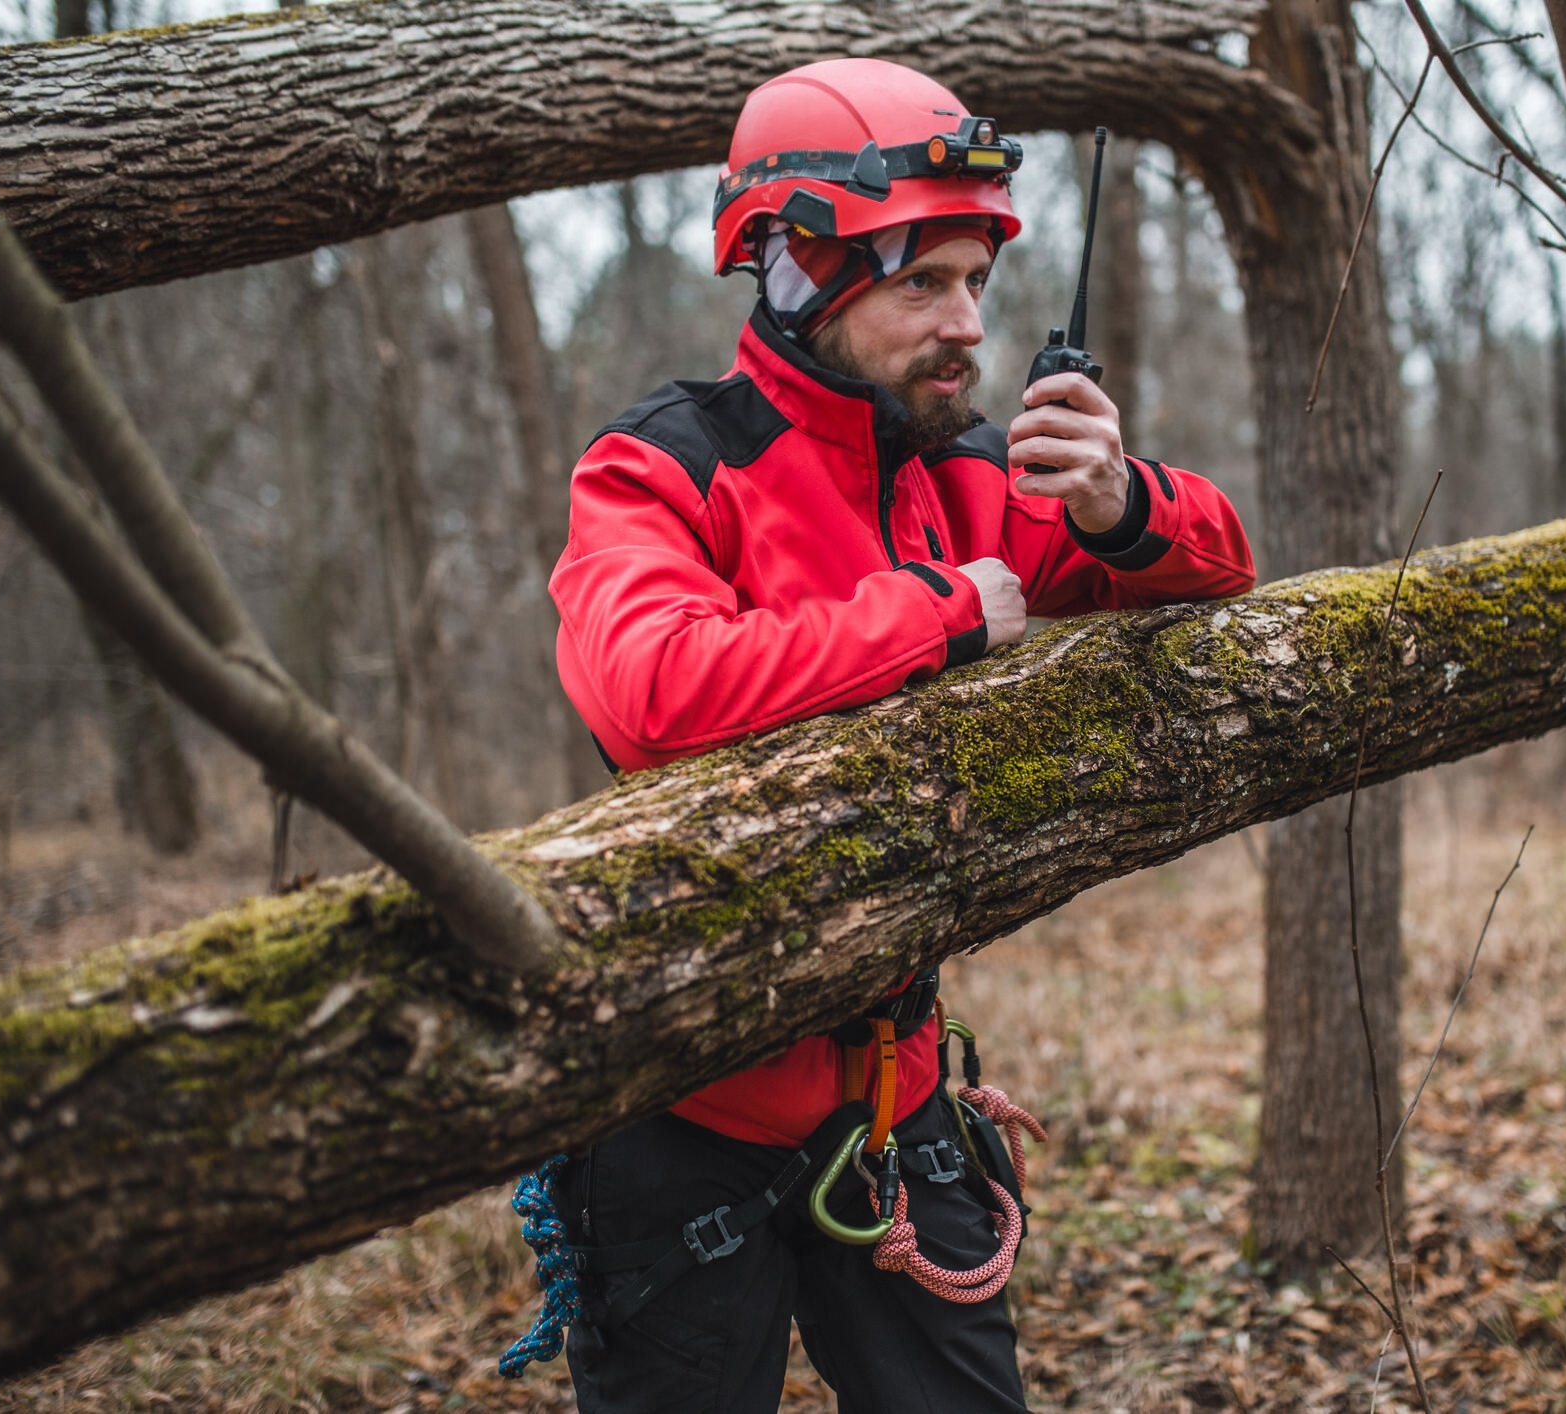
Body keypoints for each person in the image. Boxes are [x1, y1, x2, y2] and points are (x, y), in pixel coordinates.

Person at [533, 57, 1255, 1414]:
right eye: (925, 282)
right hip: (682, 1107)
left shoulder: (967, 464)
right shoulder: (660, 462)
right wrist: (933, 613)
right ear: (798, 267)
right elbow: (646, 689)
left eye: (977, 282)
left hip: (893, 1096)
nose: (966, 324)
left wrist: (1111, 504)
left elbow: (1220, 559)